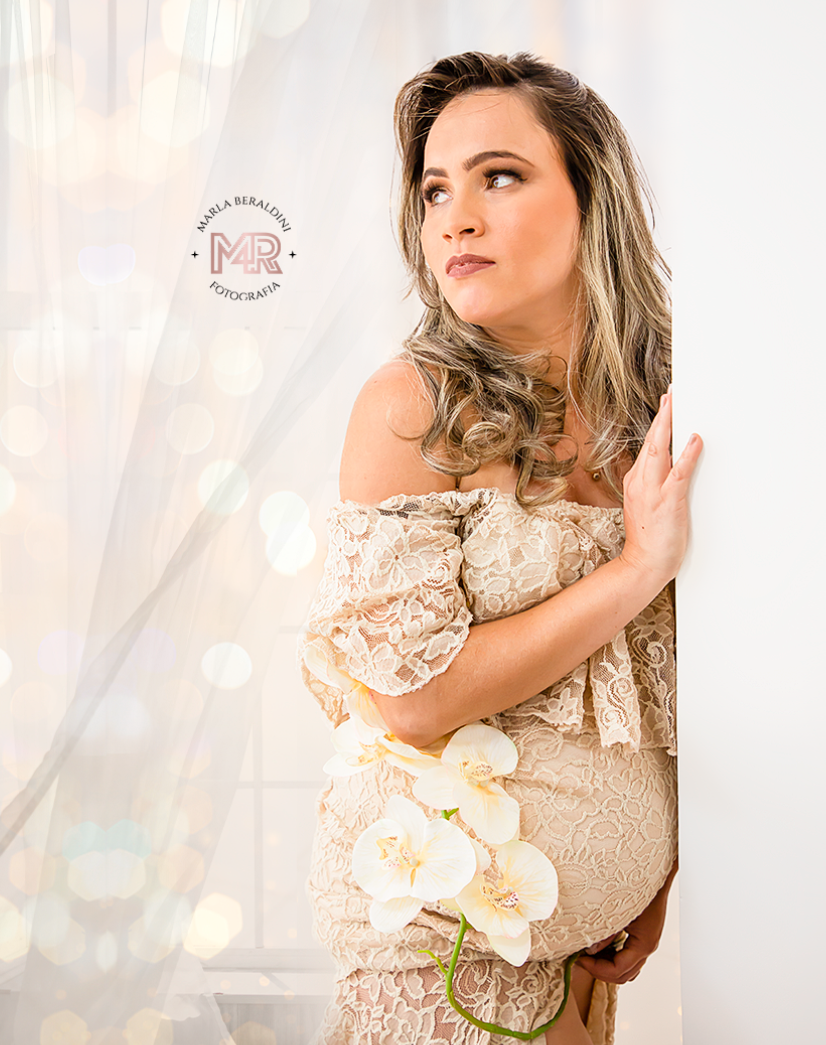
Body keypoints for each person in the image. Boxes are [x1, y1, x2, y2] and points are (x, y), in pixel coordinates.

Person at [299, 51, 702, 1044]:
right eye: (435, 189)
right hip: (435, 957)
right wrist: (635, 568)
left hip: (575, 958)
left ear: (592, 200)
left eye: (499, 177)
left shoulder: (665, 406)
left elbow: (673, 687)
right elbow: (414, 697)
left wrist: (665, 862)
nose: (454, 219)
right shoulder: (411, 406)